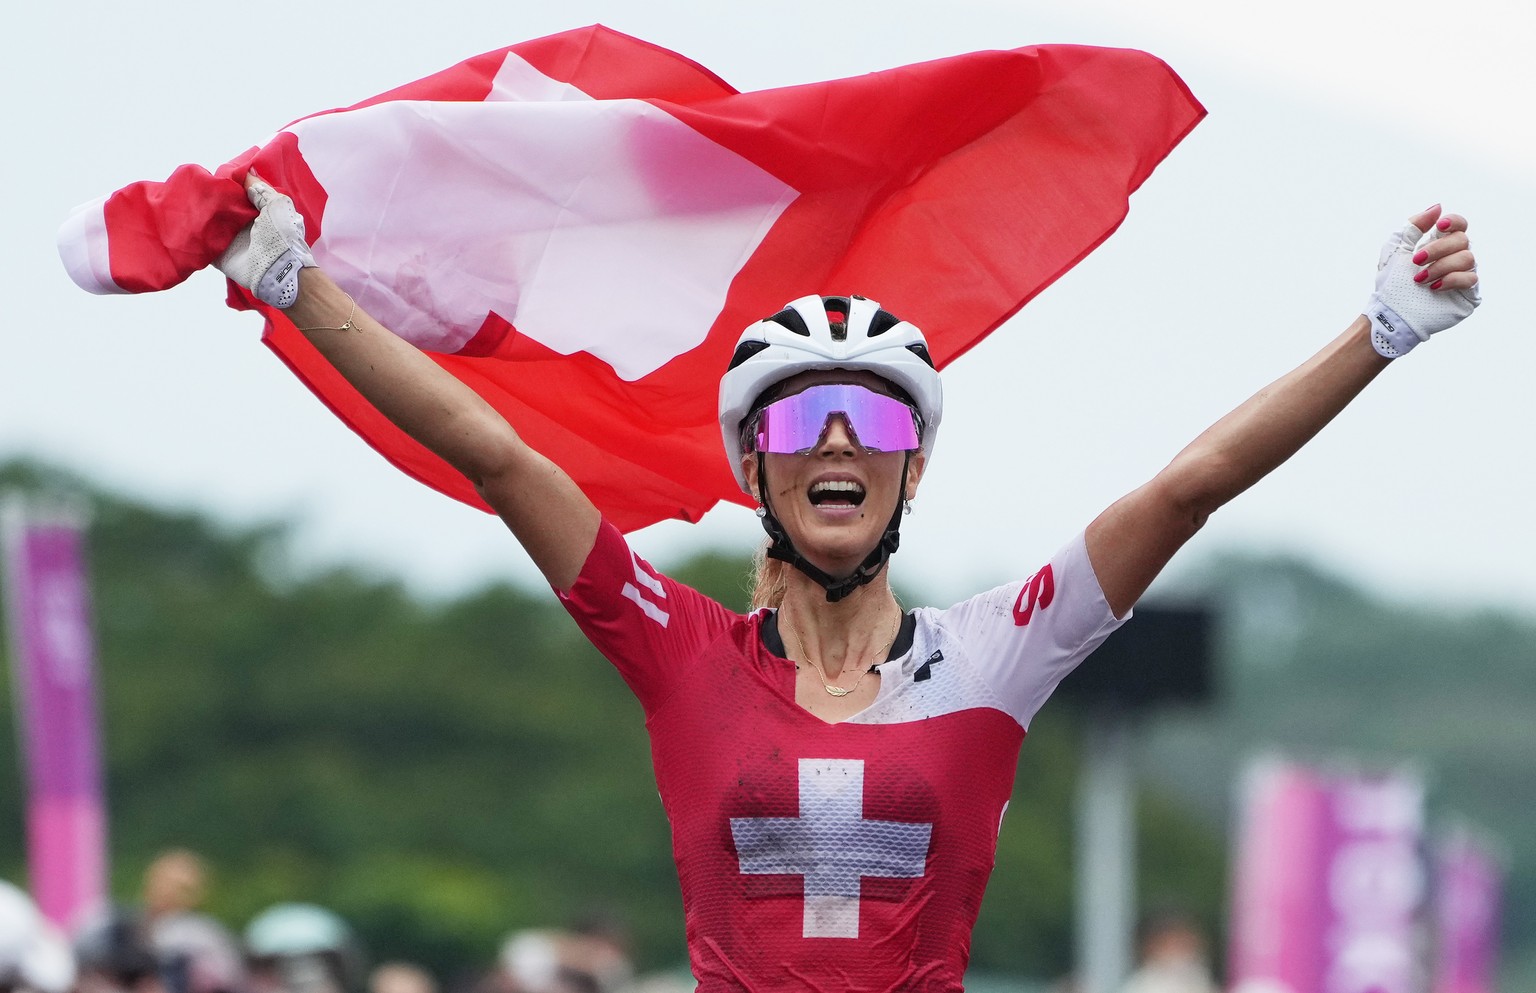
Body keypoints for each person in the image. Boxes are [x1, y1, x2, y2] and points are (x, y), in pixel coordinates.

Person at [213, 174, 1478, 991]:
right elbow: (496, 453)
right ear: (753, 467)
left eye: (870, 426)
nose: (835, 444)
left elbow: (1189, 486)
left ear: (910, 472)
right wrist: (293, 286)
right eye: (803, 418)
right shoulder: (681, 649)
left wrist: (1378, 335)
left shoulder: (997, 654)